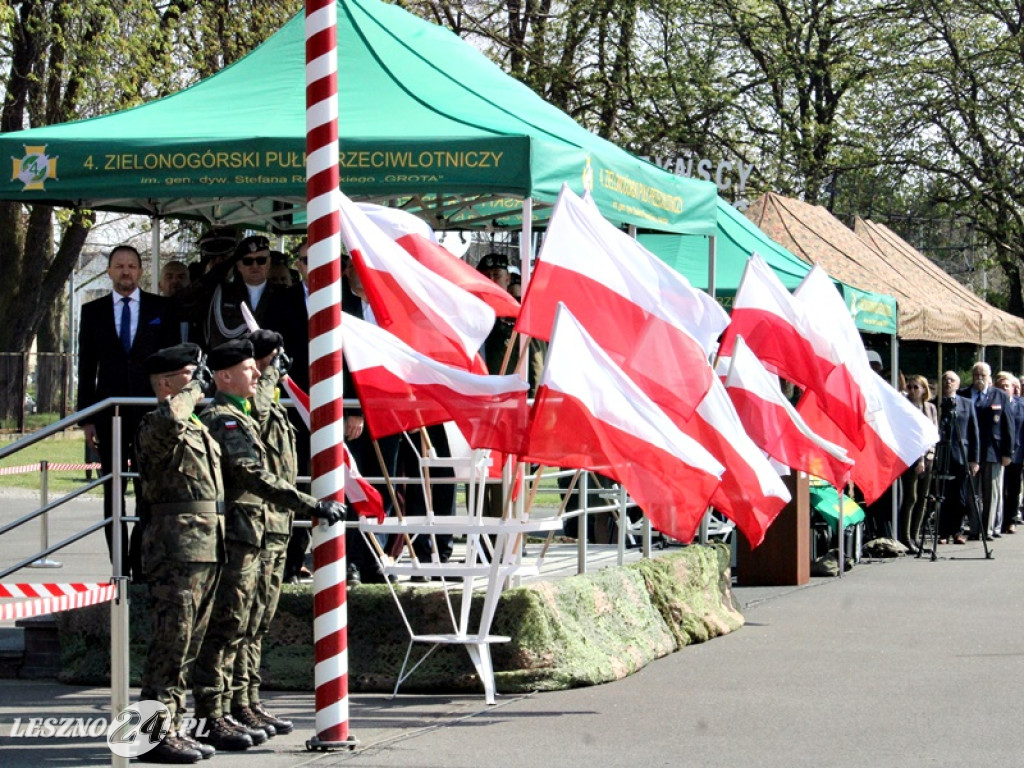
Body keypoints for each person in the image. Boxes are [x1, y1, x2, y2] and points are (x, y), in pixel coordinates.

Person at [192, 339, 344, 749]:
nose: (260, 375)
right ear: (226, 375)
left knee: (252, 623)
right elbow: (252, 474)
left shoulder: (246, 411)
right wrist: (310, 503)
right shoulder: (222, 416)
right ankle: (212, 715)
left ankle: (242, 701)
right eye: (254, 367)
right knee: (226, 628)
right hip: (239, 532)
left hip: (262, 528)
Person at [134, 343, 223, 763]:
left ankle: (171, 726)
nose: (200, 383)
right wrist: (189, 390)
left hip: (203, 548)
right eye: (192, 375)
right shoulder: (156, 423)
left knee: (188, 645)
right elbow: (170, 417)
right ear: (168, 383)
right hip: (174, 550)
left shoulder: (197, 428)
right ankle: (150, 736)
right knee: (170, 644)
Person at [77, 244, 171, 578]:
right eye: (119, 266)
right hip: (110, 413)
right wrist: (86, 418)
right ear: (110, 271)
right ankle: (120, 568)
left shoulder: (161, 308)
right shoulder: (93, 312)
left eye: (131, 265)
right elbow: (86, 368)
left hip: (150, 413)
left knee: (148, 492)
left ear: (140, 271)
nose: (126, 271)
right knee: (113, 490)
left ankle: (141, 563)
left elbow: (171, 363)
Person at [232, 329, 296, 735]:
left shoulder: (272, 407)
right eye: (269, 362)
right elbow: (254, 410)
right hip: (254, 526)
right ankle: (235, 703)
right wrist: (270, 374)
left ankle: (250, 700)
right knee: (241, 623)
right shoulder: (243, 407)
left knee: (259, 622)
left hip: (276, 525)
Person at [959, 361, 1015, 539]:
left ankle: (988, 529)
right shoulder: (964, 395)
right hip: (970, 452)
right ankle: (975, 529)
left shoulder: (999, 395)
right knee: (971, 493)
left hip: (993, 451)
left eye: (983, 375)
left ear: (989, 377)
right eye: (976, 375)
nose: (979, 379)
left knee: (992, 493)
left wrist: (1008, 453)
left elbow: (1008, 426)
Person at [205, 235, 286, 349]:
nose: (255, 266)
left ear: (269, 263)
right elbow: (188, 296)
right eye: (248, 261)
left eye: (261, 260)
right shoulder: (222, 293)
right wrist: (229, 261)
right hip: (234, 362)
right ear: (238, 265)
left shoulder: (284, 295)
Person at [936, 371, 980, 545]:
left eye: (952, 380)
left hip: (962, 454)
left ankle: (957, 531)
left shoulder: (967, 404)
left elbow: (974, 432)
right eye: (945, 379)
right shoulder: (935, 403)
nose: (948, 382)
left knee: (960, 496)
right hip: (942, 454)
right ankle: (943, 532)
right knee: (943, 496)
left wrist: (974, 460)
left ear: (957, 384)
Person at [898, 375, 938, 553]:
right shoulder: (905, 407)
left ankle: (916, 536)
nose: (912, 391)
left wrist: (930, 453)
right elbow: (910, 434)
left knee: (923, 497)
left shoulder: (930, 408)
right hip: (911, 457)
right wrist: (920, 458)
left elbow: (933, 432)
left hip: (928, 457)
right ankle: (905, 537)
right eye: (910, 387)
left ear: (924, 390)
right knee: (910, 497)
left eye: (916, 387)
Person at [997, 371, 1024, 534]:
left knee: (1013, 489)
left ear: (1014, 388)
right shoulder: (992, 402)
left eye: (1007, 386)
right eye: (1000, 386)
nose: (1004, 389)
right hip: (996, 453)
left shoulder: (1021, 405)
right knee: (998, 489)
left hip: (1017, 452)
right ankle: (998, 521)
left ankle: (1011, 520)